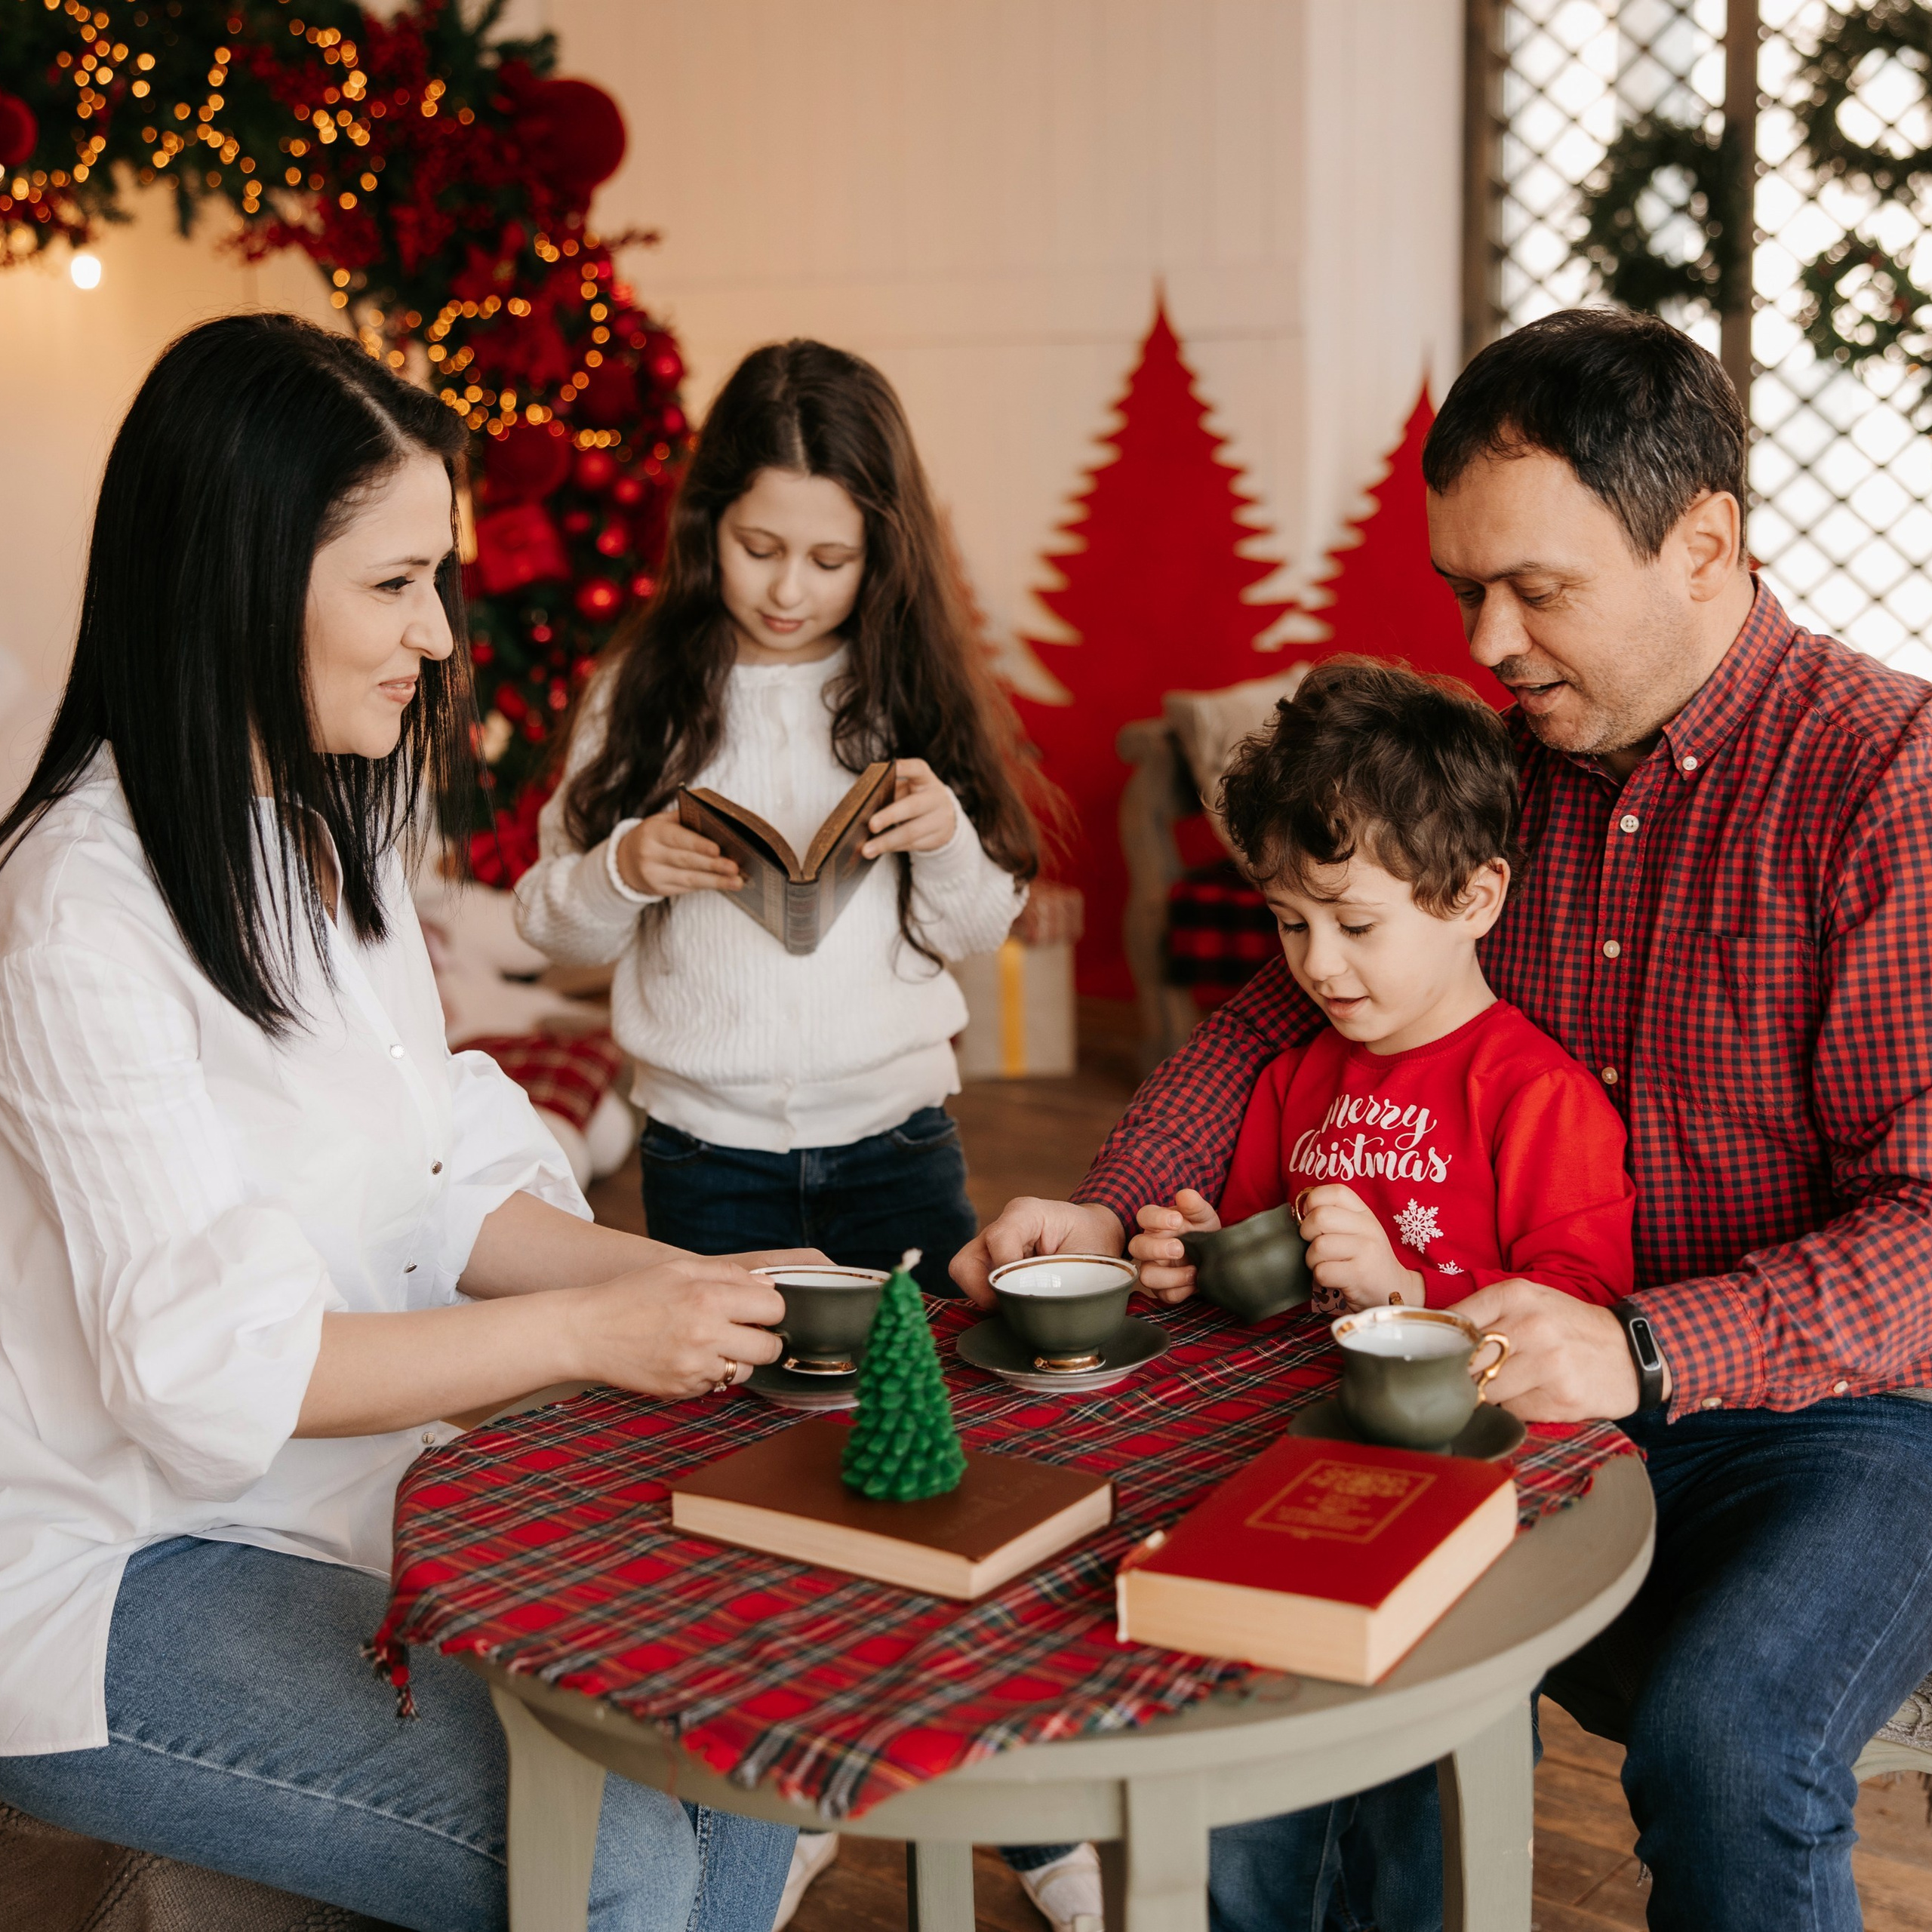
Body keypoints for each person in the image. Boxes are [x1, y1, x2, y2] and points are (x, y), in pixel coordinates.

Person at [956, 308, 1932, 1932]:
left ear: (1700, 545)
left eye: (1532, 588)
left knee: (1725, 1737)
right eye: (1462, 588)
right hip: (1503, 1380)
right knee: (1269, 1610)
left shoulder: (1884, 777)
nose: (1486, 639)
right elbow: (1276, 1012)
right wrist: (1108, 1193)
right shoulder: (1496, 769)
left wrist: (1644, 1347)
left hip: (1832, 1416)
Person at [0, 313, 797, 1932]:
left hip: (342, 1502)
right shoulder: (76, 908)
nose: (437, 632)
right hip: (114, 1569)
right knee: (624, 1860)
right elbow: (213, 1372)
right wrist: (589, 1330)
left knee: (750, 1740)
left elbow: (436, 1179)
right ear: (233, 576)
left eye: (435, 577)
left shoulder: (326, 826)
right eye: (391, 581)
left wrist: (682, 1288)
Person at [512, 340, 1097, 1929]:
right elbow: (543, 914)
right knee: (736, 1476)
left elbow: (980, 927)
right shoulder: (641, 685)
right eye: (757, 546)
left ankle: (1026, 1813)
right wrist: (628, 861)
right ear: (707, 523)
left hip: (893, 1142)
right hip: (701, 1157)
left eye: (829, 557)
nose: (786, 587)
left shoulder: (902, 688)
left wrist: (944, 839)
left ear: (880, 550)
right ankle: (790, 1795)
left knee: (930, 1463)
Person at [1129, 656, 1634, 1322]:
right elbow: (1262, 1263)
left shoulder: (1539, 1097)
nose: (1317, 964)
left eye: (1357, 926)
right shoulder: (1289, 1082)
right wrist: (1206, 1258)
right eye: (1290, 923)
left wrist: (1407, 1288)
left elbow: (1585, 1300)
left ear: (1474, 899)